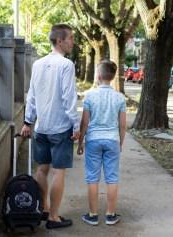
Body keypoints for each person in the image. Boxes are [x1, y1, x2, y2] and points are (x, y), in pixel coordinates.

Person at [20, 24, 80, 229]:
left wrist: (28, 121)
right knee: (59, 171)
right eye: (71, 38)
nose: (73, 41)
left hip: (41, 127)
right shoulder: (66, 65)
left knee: (42, 169)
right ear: (60, 41)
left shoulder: (38, 64)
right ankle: (54, 217)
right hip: (60, 127)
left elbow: (33, 94)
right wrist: (76, 125)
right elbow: (68, 98)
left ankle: (43, 208)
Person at [77, 60, 126, 226]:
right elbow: (123, 124)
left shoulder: (90, 96)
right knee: (112, 178)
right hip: (112, 139)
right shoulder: (120, 98)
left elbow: (84, 122)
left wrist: (80, 142)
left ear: (98, 76)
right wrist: (120, 142)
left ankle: (92, 215)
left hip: (93, 140)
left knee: (92, 178)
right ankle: (111, 215)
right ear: (112, 77)